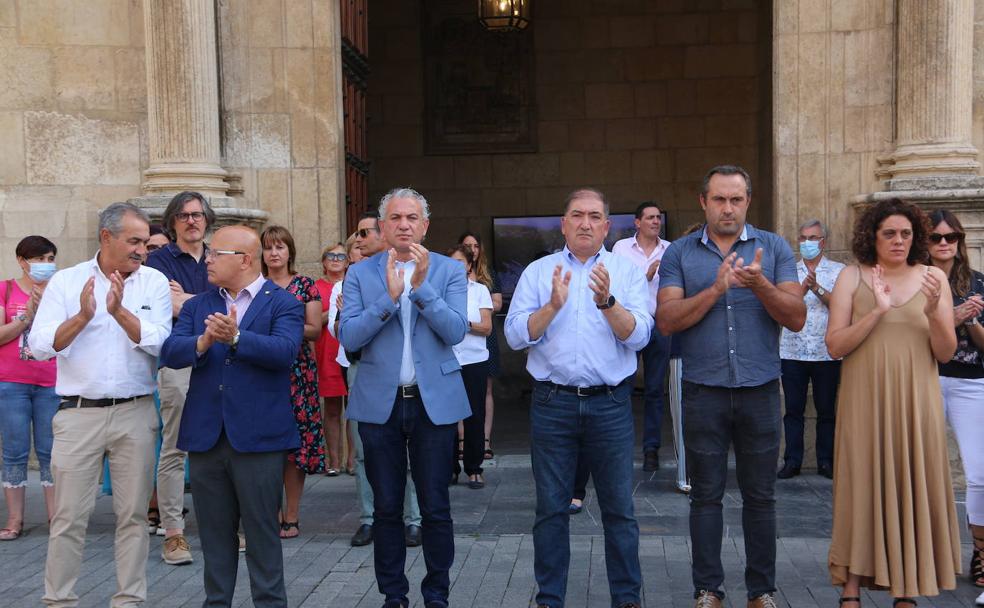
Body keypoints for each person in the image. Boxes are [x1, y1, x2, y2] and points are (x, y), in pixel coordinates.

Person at [656, 165, 806, 608]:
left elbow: (795, 316)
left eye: (736, 199)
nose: (727, 208)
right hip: (703, 389)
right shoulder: (680, 254)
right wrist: (715, 290)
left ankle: (761, 591)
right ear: (703, 202)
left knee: (761, 496)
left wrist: (759, 285)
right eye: (719, 199)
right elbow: (666, 321)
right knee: (706, 496)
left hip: (761, 388)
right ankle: (708, 590)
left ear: (748, 202)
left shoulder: (774, 248)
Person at [505, 187, 652, 608]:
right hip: (553, 404)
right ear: (564, 224)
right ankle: (550, 599)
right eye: (576, 215)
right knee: (550, 510)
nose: (585, 223)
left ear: (607, 225)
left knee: (619, 510)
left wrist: (607, 302)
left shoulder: (624, 272)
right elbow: (516, 335)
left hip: (610, 405)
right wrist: (552, 305)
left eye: (594, 216)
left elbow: (640, 335)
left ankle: (627, 599)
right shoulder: (538, 272)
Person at [29, 202, 172, 607]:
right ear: (106, 237)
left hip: (136, 411)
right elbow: (40, 347)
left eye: (145, 242)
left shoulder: (154, 282)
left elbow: (161, 340)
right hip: (77, 414)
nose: (142, 249)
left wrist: (118, 313)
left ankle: (129, 600)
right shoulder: (67, 282)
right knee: (69, 517)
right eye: (134, 241)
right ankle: (59, 600)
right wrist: (83, 317)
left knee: (132, 518)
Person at [159, 225, 304, 608]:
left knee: (261, 534)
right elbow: (170, 352)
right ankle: (216, 602)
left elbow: (285, 352)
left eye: (214, 253)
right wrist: (203, 342)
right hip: (207, 437)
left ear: (243, 259)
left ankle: (270, 603)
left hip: (258, 438)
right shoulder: (198, 305)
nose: (206, 259)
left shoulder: (283, 303)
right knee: (214, 535)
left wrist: (237, 338)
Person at [338, 187, 469, 608]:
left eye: (412, 218)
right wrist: (389, 299)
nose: (404, 225)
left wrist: (421, 288)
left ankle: (437, 595)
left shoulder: (448, 270)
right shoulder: (360, 274)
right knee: (387, 507)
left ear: (425, 225)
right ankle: (393, 595)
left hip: (434, 403)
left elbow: (455, 332)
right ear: (383, 226)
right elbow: (350, 336)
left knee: (435, 506)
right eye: (395, 218)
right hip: (381, 403)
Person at [825, 198, 961, 606]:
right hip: (864, 399)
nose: (899, 240)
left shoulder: (932, 278)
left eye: (906, 233)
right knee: (861, 484)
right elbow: (835, 345)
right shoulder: (852, 277)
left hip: (915, 401)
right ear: (873, 236)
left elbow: (945, 353)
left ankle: (907, 588)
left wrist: (937, 311)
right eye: (890, 233)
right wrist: (877, 312)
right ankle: (850, 589)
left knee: (910, 483)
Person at [339, 212, 423, 549]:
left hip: (407, 375)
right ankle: (369, 518)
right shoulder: (355, 276)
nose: (357, 239)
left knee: (411, 450)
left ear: (383, 232)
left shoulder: (421, 269)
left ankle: (413, 519)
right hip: (363, 370)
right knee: (364, 451)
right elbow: (346, 333)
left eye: (363, 232)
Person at [145, 190, 216, 565]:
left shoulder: (220, 254)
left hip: (221, 361)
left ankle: (224, 526)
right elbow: (166, 307)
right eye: (185, 215)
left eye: (198, 214)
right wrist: (205, 302)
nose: (192, 221)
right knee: (175, 447)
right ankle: (173, 533)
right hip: (179, 362)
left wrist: (186, 300)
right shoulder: (158, 261)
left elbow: (232, 305)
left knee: (222, 443)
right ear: (173, 221)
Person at [927, 210, 984, 589]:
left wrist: (971, 320)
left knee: (978, 473)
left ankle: (980, 552)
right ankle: (927, 554)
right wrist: (950, 318)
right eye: (936, 237)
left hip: (971, 382)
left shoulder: (978, 281)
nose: (944, 243)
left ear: (960, 241)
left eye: (951, 237)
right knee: (922, 472)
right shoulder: (916, 279)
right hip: (926, 378)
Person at [260, 225, 327, 539]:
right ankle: (270, 512)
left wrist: (280, 330)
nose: (274, 253)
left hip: (298, 373)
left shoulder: (304, 285)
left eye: (280, 247)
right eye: (269, 248)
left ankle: (292, 515)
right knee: (265, 447)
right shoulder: (256, 286)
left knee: (295, 449)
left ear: (290, 252)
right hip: (262, 372)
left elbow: (314, 328)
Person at [0, 236, 59, 541]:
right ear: (22, 261)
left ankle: (55, 519)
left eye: (50, 258)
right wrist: (27, 317)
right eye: (39, 259)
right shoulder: (6, 289)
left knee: (51, 452)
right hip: (12, 383)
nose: (45, 265)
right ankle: (14, 520)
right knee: (14, 451)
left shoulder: (60, 293)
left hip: (50, 381)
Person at [777, 219, 845, 480]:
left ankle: (825, 461)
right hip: (792, 350)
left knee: (826, 410)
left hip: (826, 351)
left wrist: (815, 288)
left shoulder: (839, 271)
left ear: (823, 242)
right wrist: (800, 290)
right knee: (793, 409)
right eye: (803, 238)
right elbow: (781, 307)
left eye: (813, 238)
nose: (807, 243)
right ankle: (792, 461)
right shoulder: (787, 272)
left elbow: (841, 305)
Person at [612, 202, 671, 471]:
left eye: (658, 217)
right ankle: (619, 445)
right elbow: (615, 289)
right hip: (630, 323)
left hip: (659, 325)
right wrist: (645, 278)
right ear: (637, 222)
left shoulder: (670, 250)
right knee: (620, 385)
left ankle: (651, 449)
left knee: (655, 390)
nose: (655, 221)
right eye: (650, 217)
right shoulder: (621, 249)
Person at [446, 245, 493, 489]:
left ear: (468, 265)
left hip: (475, 359)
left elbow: (486, 327)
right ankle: (449, 468)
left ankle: (474, 468)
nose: (456, 266)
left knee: (475, 414)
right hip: (448, 359)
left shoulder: (480, 291)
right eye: (450, 261)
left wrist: (460, 323)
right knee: (447, 416)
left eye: (460, 261)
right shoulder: (440, 290)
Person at [458, 231, 502, 460]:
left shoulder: (487, 275)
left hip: (485, 339)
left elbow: (497, 303)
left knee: (485, 389)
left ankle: (484, 440)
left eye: (475, 245)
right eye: (467, 245)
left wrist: (479, 303)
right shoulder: (451, 278)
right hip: (458, 346)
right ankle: (462, 442)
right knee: (458, 393)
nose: (472, 249)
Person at [314, 243, 352, 476]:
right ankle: (334, 460)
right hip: (326, 351)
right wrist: (335, 311)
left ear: (348, 261)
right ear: (324, 261)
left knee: (354, 409)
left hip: (348, 348)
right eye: (331, 255)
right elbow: (312, 321)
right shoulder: (316, 287)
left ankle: (352, 460)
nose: (336, 259)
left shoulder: (353, 284)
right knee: (332, 408)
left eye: (341, 256)